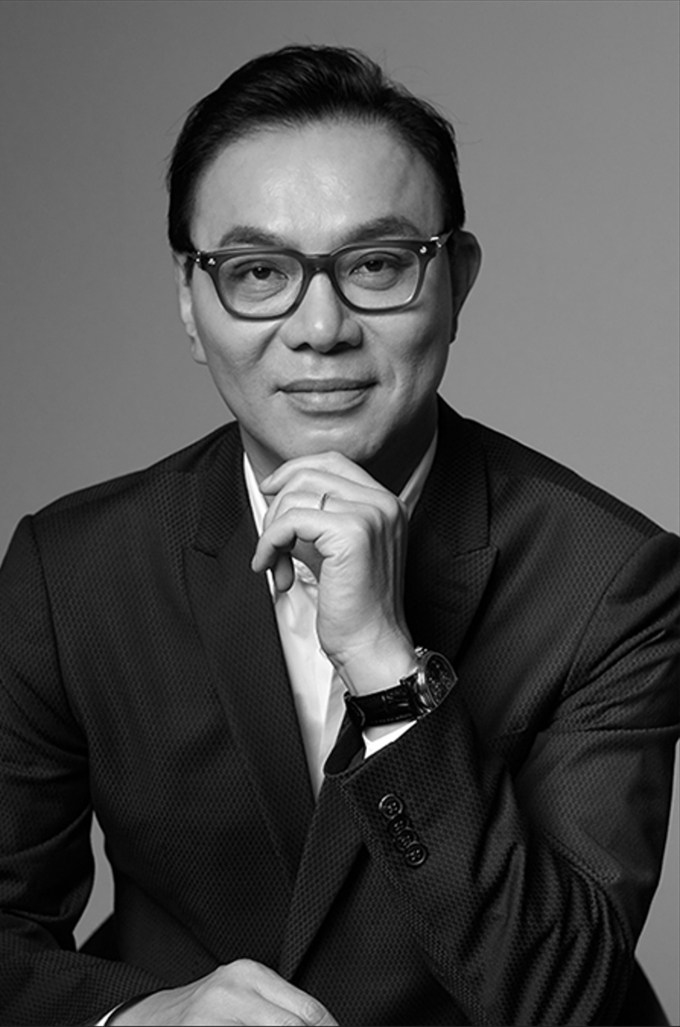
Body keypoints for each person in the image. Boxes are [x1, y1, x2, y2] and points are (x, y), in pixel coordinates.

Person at [0, 44, 677, 1027]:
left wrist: (386, 669)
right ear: (190, 302)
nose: (320, 327)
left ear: (457, 281)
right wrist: (140, 1018)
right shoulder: (70, 573)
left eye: (375, 265)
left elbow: (561, 998)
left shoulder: (610, 580)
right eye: (256, 271)